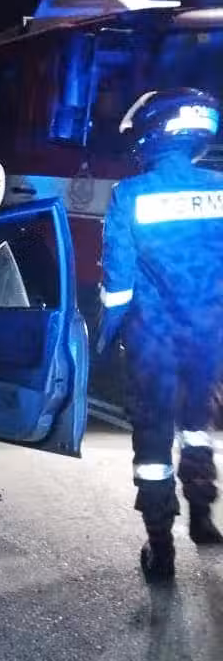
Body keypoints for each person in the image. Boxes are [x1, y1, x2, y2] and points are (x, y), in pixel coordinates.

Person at [97, 87, 223, 583]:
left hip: (154, 345)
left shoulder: (130, 194)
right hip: (209, 341)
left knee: (153, 442)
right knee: (197, 425)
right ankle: (203, 519)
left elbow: (118, 287)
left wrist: (103, 340)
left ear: (153, 134)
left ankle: (161, 548)